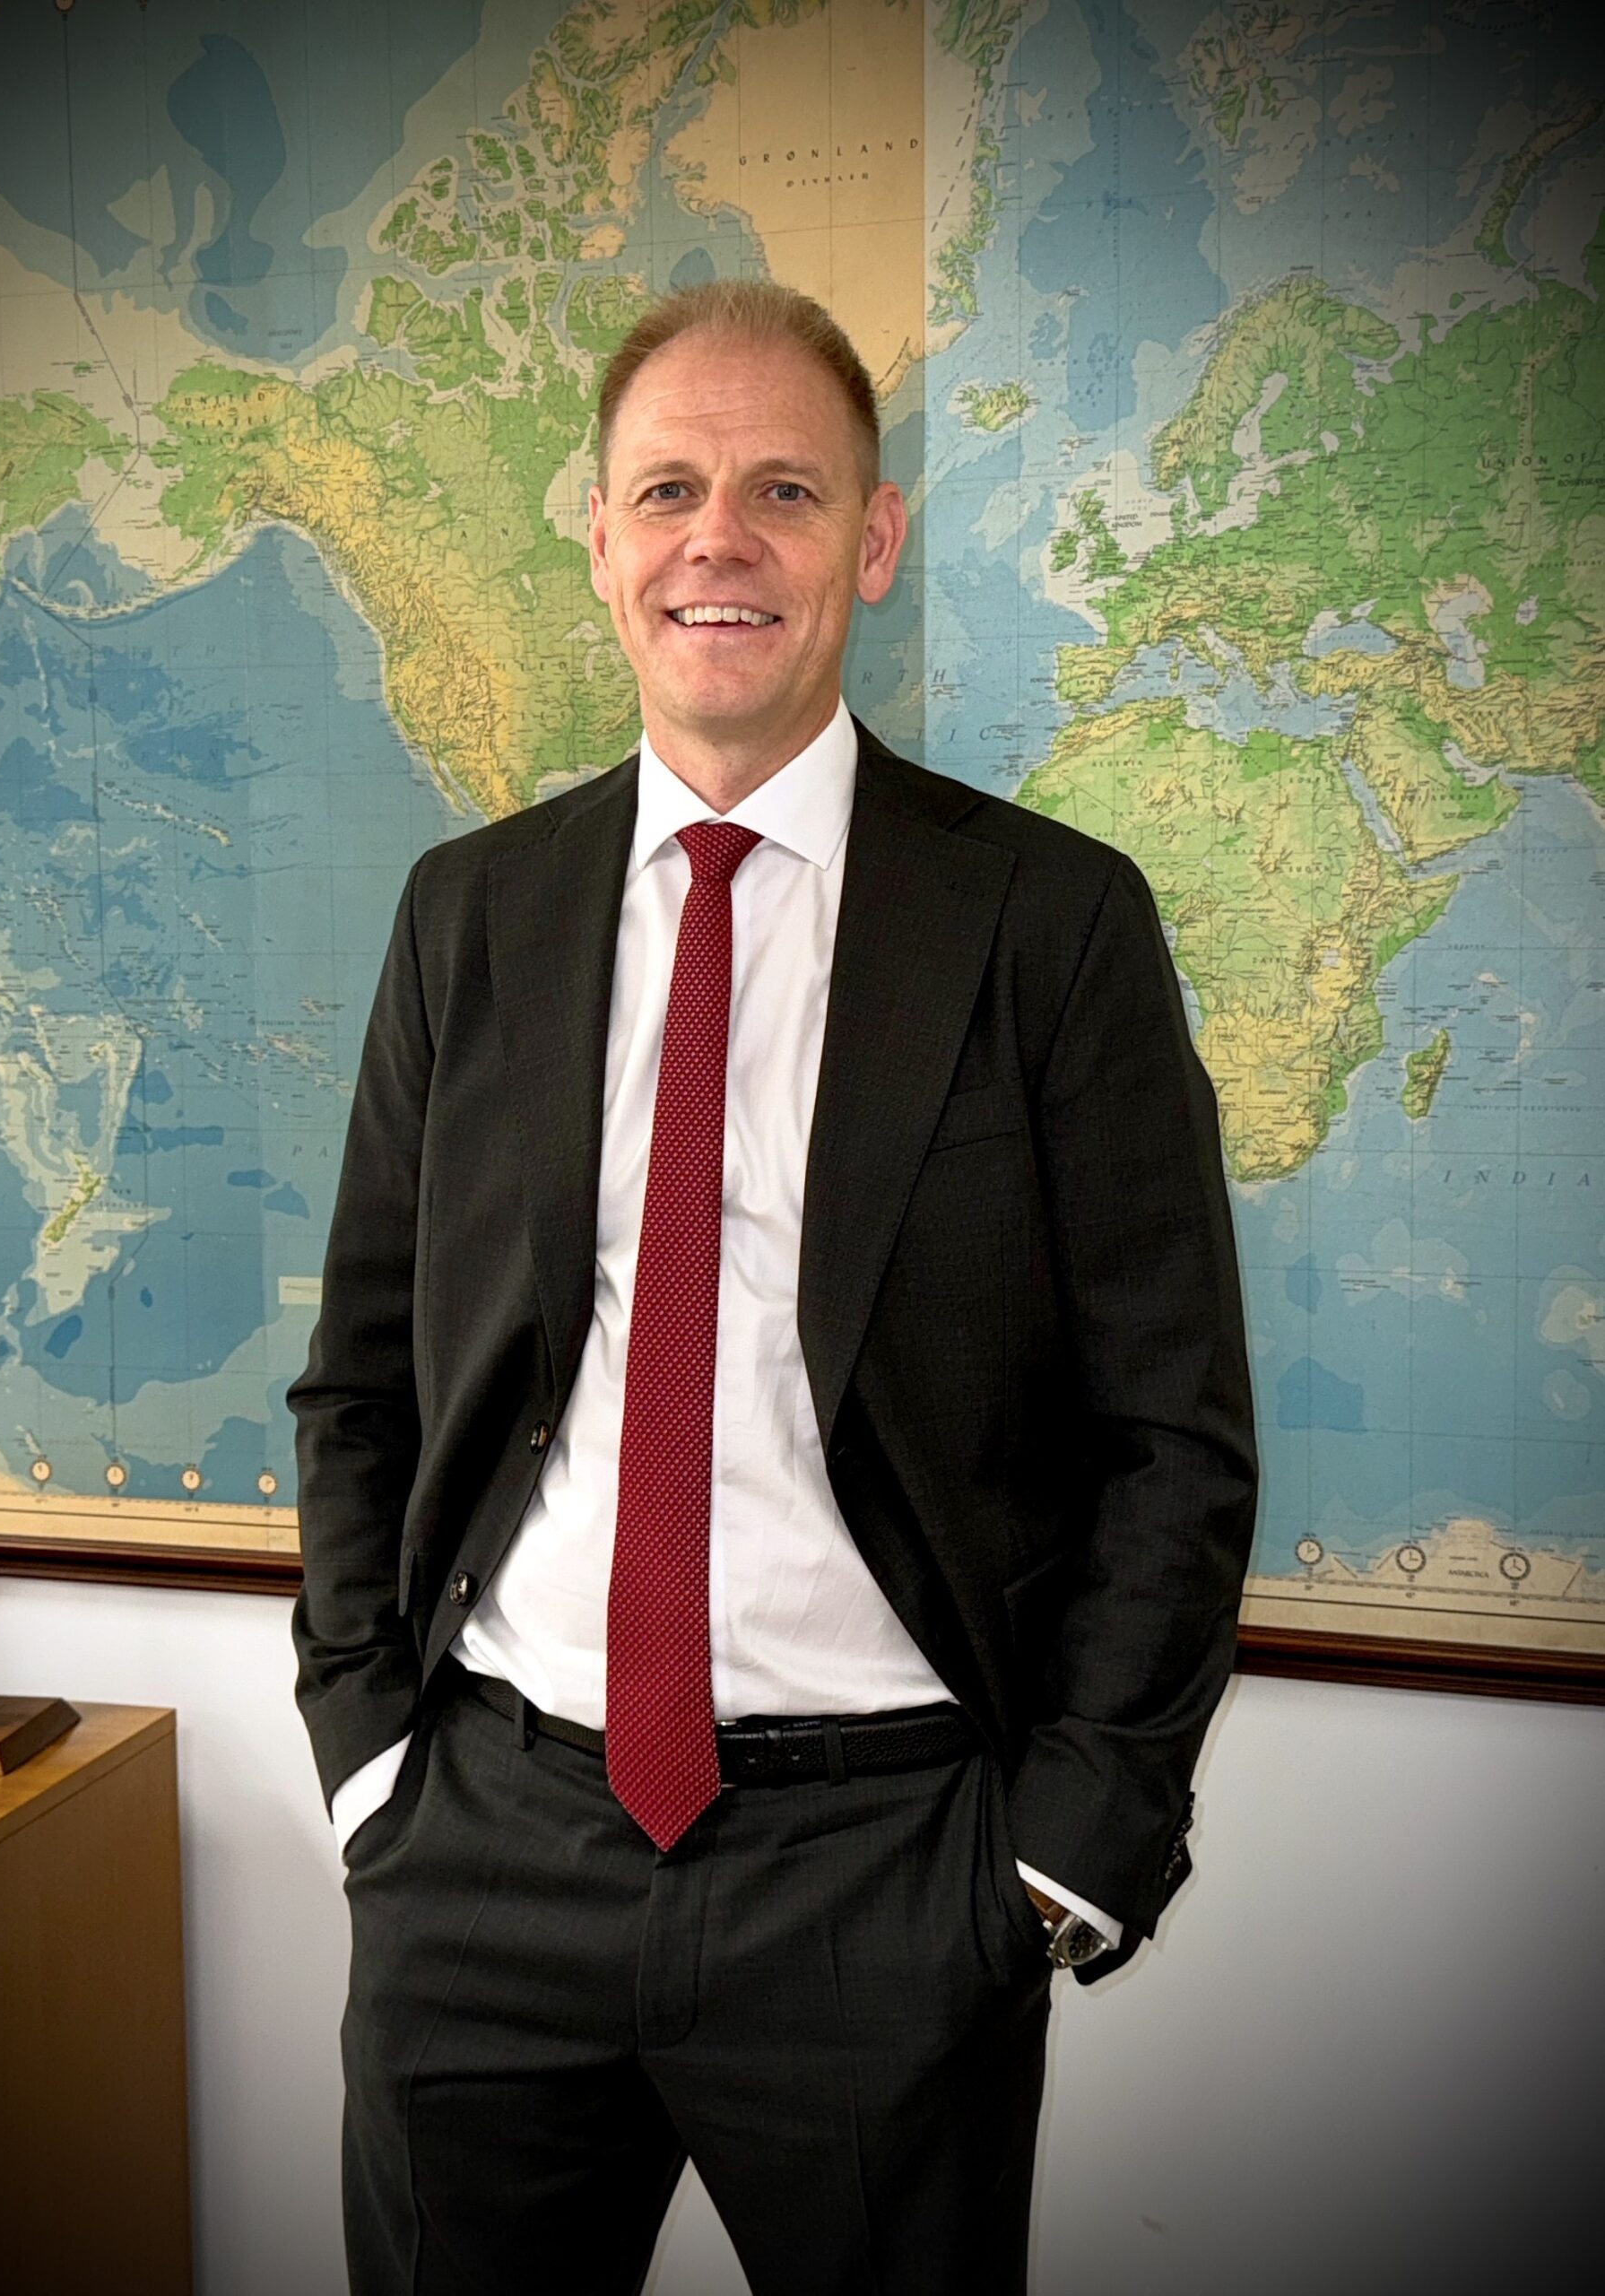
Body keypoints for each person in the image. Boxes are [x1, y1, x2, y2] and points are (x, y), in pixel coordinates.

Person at [289, 279, 1258, 2295]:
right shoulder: (468, 913)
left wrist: (1061, 1851)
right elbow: (362, 1372)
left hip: (888, 1874)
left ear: (871, 543)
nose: (715, 539)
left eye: (783, 491)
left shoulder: (1050, 922)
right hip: (488, 1850)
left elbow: (1171, 1431)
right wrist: (373, 1753)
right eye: (667, 491)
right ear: (601, 543)